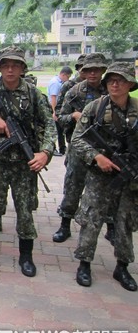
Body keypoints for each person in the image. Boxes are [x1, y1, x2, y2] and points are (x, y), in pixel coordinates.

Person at [0, 47, 56, 277]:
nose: (10, 69)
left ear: (22, 68)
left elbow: (49, 124)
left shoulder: (34, 94)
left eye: (15, 65)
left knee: (25, 210)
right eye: (6, 65)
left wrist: (45, 152)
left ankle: (26, 256)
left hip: (24, 164)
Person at [71, 61, 138, 291]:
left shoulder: (136, 110)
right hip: (99, 176)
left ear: (130, 84)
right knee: (91, 220)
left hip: (128, 179)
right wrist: (96, 157)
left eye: (120, 80)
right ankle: (84, 264)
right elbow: (77, 140)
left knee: (124, 222)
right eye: (111, 80)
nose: (115, 84)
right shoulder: (95, 108)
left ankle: (122, 266)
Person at [53, 54, 108, 243]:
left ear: (102, 71)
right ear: (82, 71)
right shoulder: (74, 92)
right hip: (78, 148)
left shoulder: (109, 91)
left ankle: (111, 227)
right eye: (88, 70)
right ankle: (65, 225)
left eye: (96, 70)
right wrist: (74, 116)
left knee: (107, 190)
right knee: (72, 187)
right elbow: (60, 116)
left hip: (104, 150)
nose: (92, 73)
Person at [48, 66, 73, 156]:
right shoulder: (55, 83)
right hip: (53, 108)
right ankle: (53, 149)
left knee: (60, 129)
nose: (68, 79)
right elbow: (53, 98)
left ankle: (62, 148)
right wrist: (54, 112)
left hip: (58, 108)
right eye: (68, 77)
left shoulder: (60, 82)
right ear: (63, 74)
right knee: (54, 130)